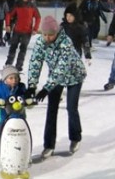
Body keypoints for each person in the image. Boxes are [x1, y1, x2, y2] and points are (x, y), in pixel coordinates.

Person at [27, 16, 87, 158]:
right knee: (51, 109)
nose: (47, 38)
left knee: (71, 108)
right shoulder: (41, 42)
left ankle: (75, 137)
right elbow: (35, 61)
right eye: (45, 34)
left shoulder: (66, 43)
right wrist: (31, 85)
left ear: (57, 33)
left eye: (51, 35)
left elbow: (62, 68)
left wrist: (46, 88)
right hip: (56, 77)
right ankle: (48, 145)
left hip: (74, 75)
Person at [0, 65, 28, 161]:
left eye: (16, 78)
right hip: (3, 116)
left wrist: (27, 101)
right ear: (5, 79)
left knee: (22, 134)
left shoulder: (21, 87)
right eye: (11, 78)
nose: (14, 80)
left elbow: (25, 98)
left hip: (19, 116)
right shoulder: (0, 88)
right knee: (1, 132)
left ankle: (24, 152)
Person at [4, 0, 41, 71]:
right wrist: (7, 25)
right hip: (17, 30)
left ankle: (19, 66)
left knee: (23, 50)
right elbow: (9, 14)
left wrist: (35, 28)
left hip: (27, 32)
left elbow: (38, 17)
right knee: (13, 48)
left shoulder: (32, 5)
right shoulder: (17, 4)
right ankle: (8, 64)